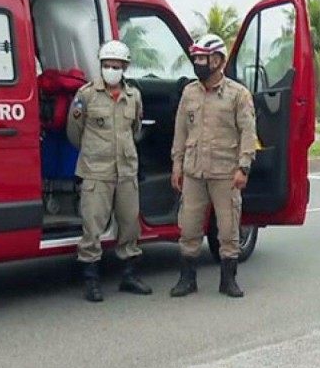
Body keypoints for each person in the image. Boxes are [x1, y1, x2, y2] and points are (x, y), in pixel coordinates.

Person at [170, 34, 258, 299]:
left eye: (202, 58)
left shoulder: (238, 94)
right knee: (189, 226)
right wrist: (177, 165)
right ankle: (187, 279)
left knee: (228, 228)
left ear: (218, 60)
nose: (198, 63)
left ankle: (228, 280)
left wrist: (243, 167)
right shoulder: (189, 93)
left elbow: (247, 132)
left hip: (225, 173)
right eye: (195, 58)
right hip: (194, 171)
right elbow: (181, 131)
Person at [67, 40, 152, 303]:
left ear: (125, 67)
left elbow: (135, 129)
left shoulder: (133, 96)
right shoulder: (86, 95)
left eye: (116, 66)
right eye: (107, 65)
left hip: (126, 170)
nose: (111, 70)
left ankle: (129, 275)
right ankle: (91, 280)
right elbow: (74, 132)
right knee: (92, 226)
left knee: (129, 225)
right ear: (101, 65)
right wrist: (95, 154)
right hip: (96, 171)